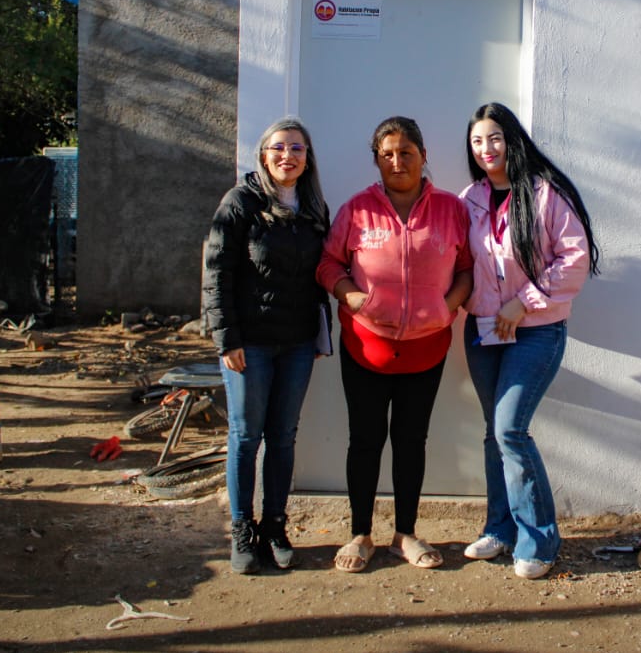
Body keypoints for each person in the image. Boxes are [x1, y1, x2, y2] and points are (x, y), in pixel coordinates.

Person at [317, 116, 472, 573]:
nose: (397, 161)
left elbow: (466, 269)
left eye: (406, 152)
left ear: (424, 156)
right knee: (365, 440)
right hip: (367, 347)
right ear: (376, 161)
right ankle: (360, 534)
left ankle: (406, 533)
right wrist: (351, 295)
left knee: (411, 441)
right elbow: (328, 262)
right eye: (387, 154)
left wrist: (448, 309)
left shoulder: (450, 209)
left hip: (427, 349)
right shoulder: (356, 210)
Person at [458, 102, 599, 580]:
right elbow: (454, 259)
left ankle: (539, 540)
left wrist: (526, 301)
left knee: (509, 431)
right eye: (477, 141)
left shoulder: (544, 193)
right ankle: (500, 529)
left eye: (494, 137)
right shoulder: (469, 199)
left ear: (512, 139)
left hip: (536, 330)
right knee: (492, 433)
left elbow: (574, 258)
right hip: (481, 330)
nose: (486, 149)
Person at [202, 116, 332, 575]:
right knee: (245, 436)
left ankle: (274, 526)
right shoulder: (240, 202)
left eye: (297, 149)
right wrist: (226, 338)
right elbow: (216, 272)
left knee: (282, 437)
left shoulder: (314, 207)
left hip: (296, 344)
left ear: (306, 158)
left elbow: (321, 275)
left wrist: (321, 332)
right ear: (263, 155)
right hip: (249, 345)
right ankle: (242, 528)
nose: (287, 156)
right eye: (279, 148)